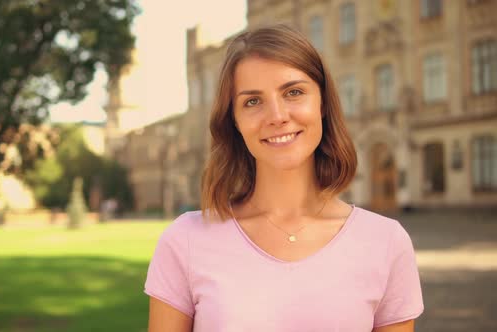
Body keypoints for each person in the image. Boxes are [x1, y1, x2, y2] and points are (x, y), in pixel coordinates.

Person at [144, 24, 424, 332]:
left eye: (293, 92)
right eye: (252, 101)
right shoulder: (185, 240)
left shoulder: (386, 242)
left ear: (323, 104)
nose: (277, 116)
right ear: (234, 121)